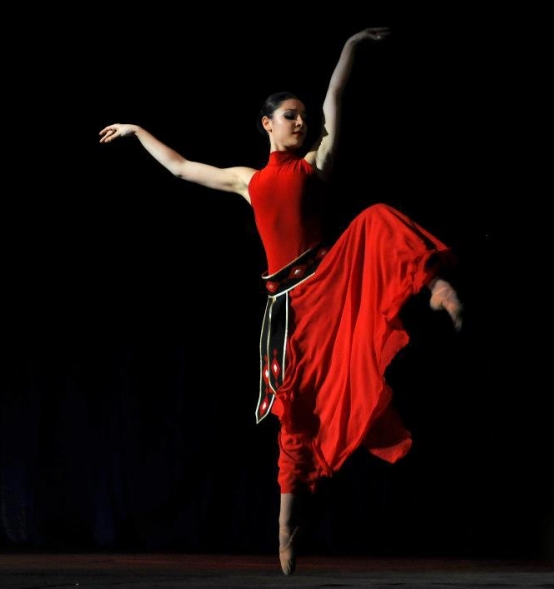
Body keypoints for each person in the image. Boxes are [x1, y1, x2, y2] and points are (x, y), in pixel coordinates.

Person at [99, 26, 463, 575]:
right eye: (289, 116)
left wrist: (351, 47)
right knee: (294, 415)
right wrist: (137, 130)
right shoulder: (248, 181)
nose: (300, 122)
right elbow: (180, 167)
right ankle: (285, 529)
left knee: (377, 218)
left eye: (303, 117)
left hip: (330, 283)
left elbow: (334, 98)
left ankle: (436, 286)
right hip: (289, 309)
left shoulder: (315, 164)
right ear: (267, 123)